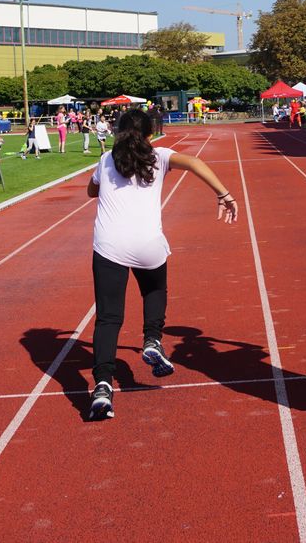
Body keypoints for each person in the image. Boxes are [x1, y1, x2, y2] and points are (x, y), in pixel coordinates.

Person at [86, 109, 238, 420]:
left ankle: (102, 386)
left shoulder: (105, 161)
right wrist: (223, 193)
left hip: (109, 246)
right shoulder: (160, 156)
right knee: (154, 290)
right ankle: (152, 339)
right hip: (148, 244)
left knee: (108, 318)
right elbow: (195, 163)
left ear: (117, 132)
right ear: (151, 134)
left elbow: (91, 191)